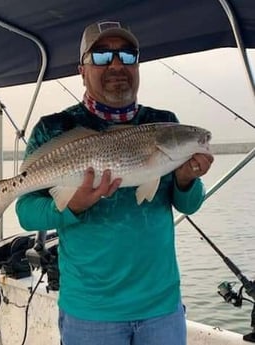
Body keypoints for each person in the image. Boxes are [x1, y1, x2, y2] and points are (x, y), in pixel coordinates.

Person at [16, 20, 214, 345]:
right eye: (102, 56)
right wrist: (72, 206)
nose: (117, 65)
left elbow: (188, 204)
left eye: (127, 55)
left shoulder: (162, 124)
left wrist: (186, 179)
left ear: (138, 65)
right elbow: (26, 211)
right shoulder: (54, 129)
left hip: (161, 309)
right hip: (90, 314)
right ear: (81, 69)